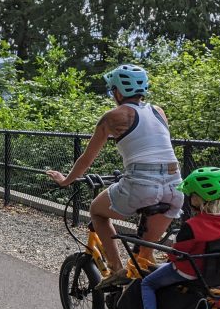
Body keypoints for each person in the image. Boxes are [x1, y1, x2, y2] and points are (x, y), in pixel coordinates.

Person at [47, 64, 183, 289]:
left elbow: (86, 159)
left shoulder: (112, 117)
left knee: (96, 211)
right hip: (175, 187)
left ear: (118, 91)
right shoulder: (158, 111)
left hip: (141, 184)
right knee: (143, 262)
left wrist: (65, 180)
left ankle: (116, 269)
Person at [129, 167, 220, 309]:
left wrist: (172, 255)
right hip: (216, 275)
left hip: (188, 272)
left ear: (197, 199)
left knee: (148, 283)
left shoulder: (192, 225)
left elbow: (175, 255)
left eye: (191, 195)